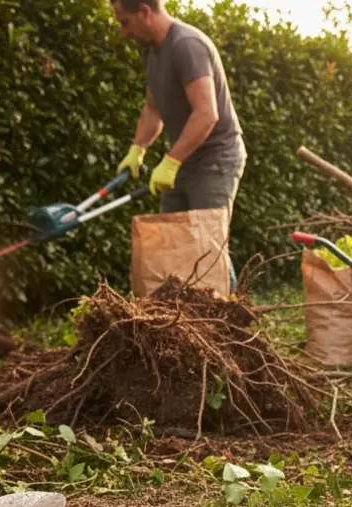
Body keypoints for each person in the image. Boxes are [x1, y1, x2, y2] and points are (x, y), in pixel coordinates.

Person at [110, 0, 246, 292]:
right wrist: (138, 149)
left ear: (145, 12)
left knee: (208, 246)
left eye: (125, 22)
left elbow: (207, 114)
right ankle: (183, 327)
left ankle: (234, 322)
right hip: (185, 157)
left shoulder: (187, 45)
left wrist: (170, 161)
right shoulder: (150, 49)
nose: (123, 32)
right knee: (172, 242)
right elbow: (152, 109)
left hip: (215, 158)